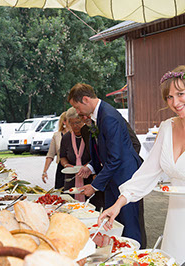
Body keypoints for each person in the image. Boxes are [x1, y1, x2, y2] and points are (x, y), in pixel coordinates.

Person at [98, 65, 185, 265]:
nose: (175, 102)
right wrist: (118, 204)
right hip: (176, 221)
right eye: (169, 97)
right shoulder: (166, 128)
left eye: (180, 94)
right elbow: (147, 173)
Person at [68, 83, 143, 245]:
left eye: (77, 107)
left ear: (86, 99)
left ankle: (134, 255)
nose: (78, 112)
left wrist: (94, 186)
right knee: (113, 224)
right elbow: (102, 151)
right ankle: (116, 253)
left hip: (124, 177)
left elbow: (115, 158)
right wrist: (93, 169)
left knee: (128, 224)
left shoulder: (108, 116)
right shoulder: (99, 115)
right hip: (113, 177)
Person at [77, 113, 147, 248]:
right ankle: (117, 252)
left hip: (127, 179)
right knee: (113, 223)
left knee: (131, 222)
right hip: (108, 181)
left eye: (83, 113)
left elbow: (134, 145)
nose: (82, 118)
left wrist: (117, 168)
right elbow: (99, 154)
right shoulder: (86, 130)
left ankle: (138, 252)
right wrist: (91, 167)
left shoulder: (114, 119)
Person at [59, 107, 93, 202]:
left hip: (89, 178)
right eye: (71, 123)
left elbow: (97, 156)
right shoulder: (66, 138)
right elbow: (62, 157)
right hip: (71, 179)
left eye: (77, 122)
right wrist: (66, 165)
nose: (75, 126)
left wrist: (89, 166)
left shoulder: (90, 135)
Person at [41, 112, 68, 189]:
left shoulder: (77, 134)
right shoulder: (57, 135)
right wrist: (44, 171)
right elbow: (50, 155)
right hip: (61, 169)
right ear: (64, 122)